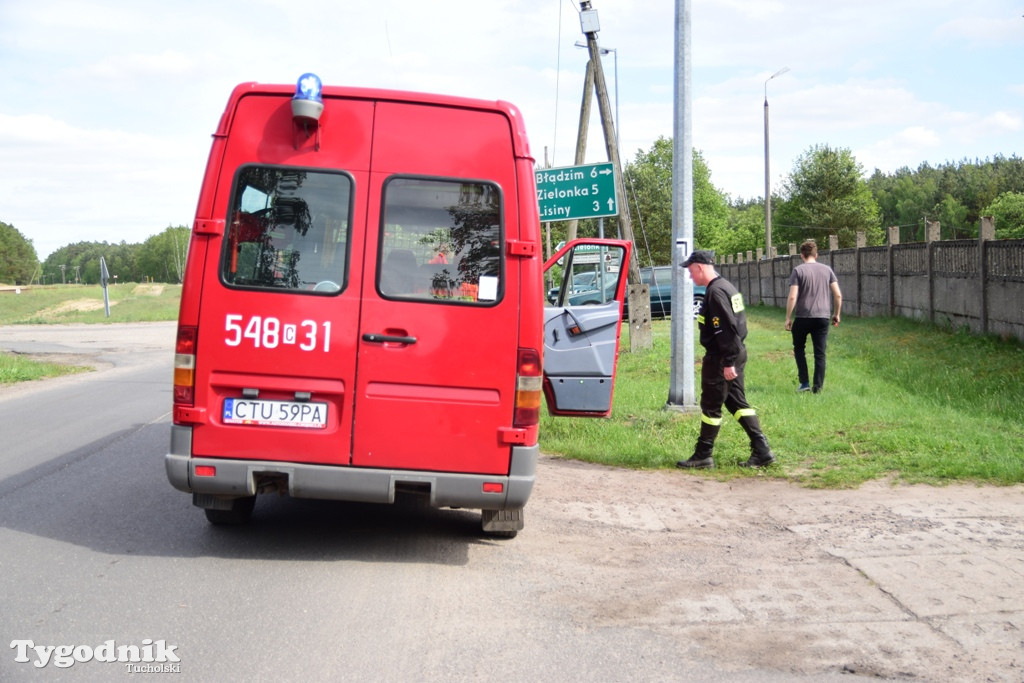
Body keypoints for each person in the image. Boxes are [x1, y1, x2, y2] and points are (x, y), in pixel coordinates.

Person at [676, 250, 775, 470]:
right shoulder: (727, 287)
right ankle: (763, 451)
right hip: (734, 353)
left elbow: (727, 329)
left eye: (692, 272)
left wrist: (728, 361)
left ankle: (703, 455)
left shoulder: (715, 293)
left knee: (711, 406)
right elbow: (740, 325)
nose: (691, 277)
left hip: (722, 357)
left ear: (700, 267)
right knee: (736, 403)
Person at [784, 240, 842, 394]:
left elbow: (792, 297)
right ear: (816, 255)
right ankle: (818, 388)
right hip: (822, 318)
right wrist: (836, 314)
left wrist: (788, 318)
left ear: (801, 255)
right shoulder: (827, 270)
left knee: (799, 349)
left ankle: (804, 383)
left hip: (803, 317)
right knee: (820, 353)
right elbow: (838, 294)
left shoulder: (798, 271)